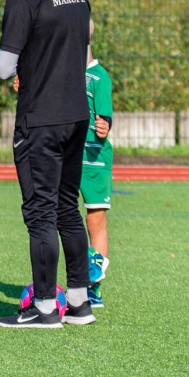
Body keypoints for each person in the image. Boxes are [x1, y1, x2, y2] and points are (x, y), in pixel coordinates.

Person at [0, 0, 95, 328]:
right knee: (69, 207)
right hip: (76, 114)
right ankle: (81, 303)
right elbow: (69, 53)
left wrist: (1, 64)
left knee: (40, 212)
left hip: (40, 119)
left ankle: (46, 307)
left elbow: (4, 68)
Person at [82, 19, 113, 307]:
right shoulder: (61, 73)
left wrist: (104, 126)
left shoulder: (100, 77)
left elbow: (105, 115)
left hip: (94, 159)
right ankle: (77, 277)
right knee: (62, 215)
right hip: (66, 156)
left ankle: (95, 286)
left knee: (95, 218)